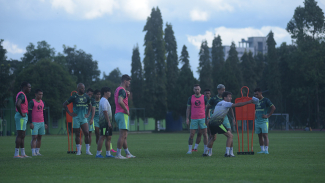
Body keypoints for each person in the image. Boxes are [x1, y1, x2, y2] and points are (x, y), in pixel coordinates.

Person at [205, 91, 258, 157]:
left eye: (231, 97)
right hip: (217, 123)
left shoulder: (219, 103)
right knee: (230, 136)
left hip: (211, 123)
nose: (231, 98)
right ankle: (227, 153)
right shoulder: (225, 103)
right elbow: (237, 105)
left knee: (213, 138)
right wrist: (249, 102)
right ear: (225, 97)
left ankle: (205, 152)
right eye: (229, 97)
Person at [205, 84, 236, 156]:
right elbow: (207, 108)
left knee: (230, 134)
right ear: (218, 90)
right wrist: (207, 118)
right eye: (222, 90)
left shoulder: (226, 98)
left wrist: (233, 118)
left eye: (224, 90)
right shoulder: (213, 99)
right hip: (216, 118)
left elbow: (231, 108)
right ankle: (209, 152)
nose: (223, 91)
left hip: (225, 118)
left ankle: (231, 152)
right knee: (212, 136)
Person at [63, 83, 92, 155]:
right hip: (76, 118)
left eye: (84, 88)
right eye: (82, 88)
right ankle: (78, 151)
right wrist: (70, 113)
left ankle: (87, 151)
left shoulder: (86, 96)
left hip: (84, 118)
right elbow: (64, 104)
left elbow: (90, 105)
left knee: (87, 133)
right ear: (78, 89)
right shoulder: (74, 97)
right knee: (77, 134)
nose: (83, 89)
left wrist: (88, 114)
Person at [186, 84, 209, 155]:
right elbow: (188, 108)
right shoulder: (191, 98)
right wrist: (187, 118)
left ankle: (206, 149)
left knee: (205, 134)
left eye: (198, 89)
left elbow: (207, 108)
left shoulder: (204, 98)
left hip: (202, 118)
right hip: (193, 119)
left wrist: (208, 117)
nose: (197, 90)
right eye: (195, 89)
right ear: (193, 90)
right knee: (191, 134)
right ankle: (190, 150)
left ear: (200, 89)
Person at [254, 88, 276, 154]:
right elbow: (254, 109)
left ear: (261, 93)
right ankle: (262, 150)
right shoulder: (256, 101)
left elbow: (273, 107)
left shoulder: (266, 100)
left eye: (257, 94)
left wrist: (268, 115)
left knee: (265, 135)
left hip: (264, 121)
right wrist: (254, 114)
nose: (256, 96)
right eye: (255, 94)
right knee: (259, 136)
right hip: (257, 121)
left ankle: (266, 150)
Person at [95, 87, 115, 158]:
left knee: (108, 137)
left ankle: (108, 154)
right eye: (109, 92)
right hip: (104, 123)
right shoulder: (103, 100)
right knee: (102, 137)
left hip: (107, 122)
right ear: (105, 92)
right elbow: (105, 111)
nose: (110, 93)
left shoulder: (105, 100)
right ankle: (98, 154)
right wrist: (108, 122)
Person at [14, 82, 32, 158]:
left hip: (23, 116)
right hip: (21, 116)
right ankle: (16, 154)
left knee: (22, 135)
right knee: (19, 135)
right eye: (29, 87)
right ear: (24, 87)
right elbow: (17, 104)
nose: (30, 89)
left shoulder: (23, 95)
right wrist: (21, 113)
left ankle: (23, 153)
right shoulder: (21, 95)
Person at [29, 89, 48, 156]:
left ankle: (37, 151)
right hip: (34, 122)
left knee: (40, 137)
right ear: (35, 94)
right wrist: (30, 122)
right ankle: (33, 152)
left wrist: (45, 123)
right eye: (39, 94)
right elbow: (30, 113)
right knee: (34, 137)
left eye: (42, 94)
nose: (41, 96)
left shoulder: (43, 102)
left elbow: (44, 113)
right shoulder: (32, 102)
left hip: (41, 122)